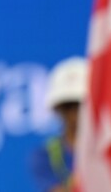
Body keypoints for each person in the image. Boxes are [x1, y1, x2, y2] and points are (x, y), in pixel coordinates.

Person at [29, 56, 87, 192]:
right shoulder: (45, 156)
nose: (75, 113)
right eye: (68, 105)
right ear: (57, 108)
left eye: (81, 104)